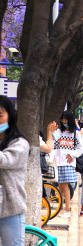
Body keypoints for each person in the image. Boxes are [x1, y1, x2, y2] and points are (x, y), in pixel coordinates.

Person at [0, 96, 29, 246]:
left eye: (0, 115)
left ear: (10, 117)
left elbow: (4, 160)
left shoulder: (20, 144)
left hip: (10, 210)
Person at [53, 111, 83, 218]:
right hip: (58, 162)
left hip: (68, 163)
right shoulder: (58, 132)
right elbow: (54, 145)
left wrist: (72, 154)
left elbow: (80, 149)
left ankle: (67, 208)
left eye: (66, 119)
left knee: (65, 185)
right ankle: (61, 207)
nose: (64, 121)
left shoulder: (76, 134)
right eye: (63, 119)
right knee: (60, 186)